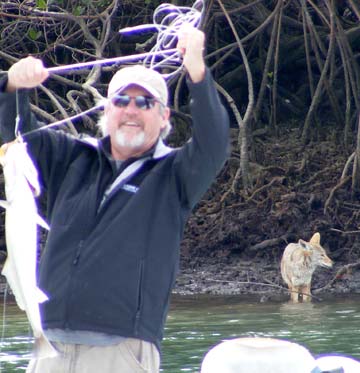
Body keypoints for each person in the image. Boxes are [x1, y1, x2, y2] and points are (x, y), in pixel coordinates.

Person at [0, 26, 229, 373]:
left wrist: (197, 69)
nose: (131, 110)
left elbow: (214, 144)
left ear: (164, 115)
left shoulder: (174, 175)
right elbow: (13, 134)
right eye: (121, 100)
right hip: (50, 346)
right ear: (107, 110)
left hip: (123, 351)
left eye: (144, 102)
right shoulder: (70, 158)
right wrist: (12, 85)